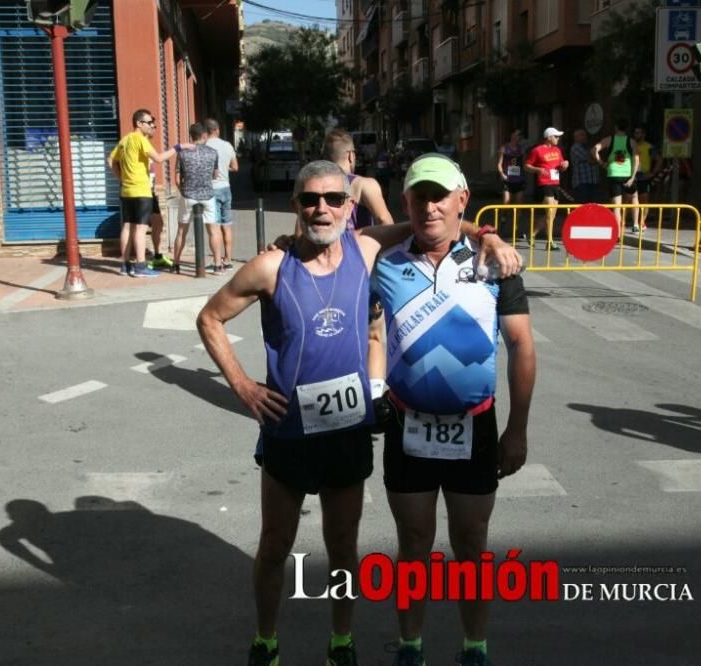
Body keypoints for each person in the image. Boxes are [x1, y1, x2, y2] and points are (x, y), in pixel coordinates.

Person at [199, 160, 520, 666]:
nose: (320, 208)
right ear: (296, 207)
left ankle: (341, 642)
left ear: (350, 207)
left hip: (347, 430)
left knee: (343, 545)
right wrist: (242, 387)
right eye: (309, 200)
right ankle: (265, 640)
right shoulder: (270, 266)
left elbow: (436, 220)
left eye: (332, 199)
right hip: (287, 430)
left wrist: (489, 235)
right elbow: (210, 317)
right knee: (275, 543)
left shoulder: (366, 248)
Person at [371, 154, 536, 666]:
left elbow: (522, 348)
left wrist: (517, 430)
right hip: (407, 424)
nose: (430, 206)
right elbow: (339, 252)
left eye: (441, 195)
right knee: (414, 542)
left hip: (475, 425)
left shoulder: (494, 263)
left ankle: (474, 648)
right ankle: (411, 646)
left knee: (471, 543)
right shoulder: (385, 262)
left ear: (462, 199)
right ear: (406, 202)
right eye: (420, 196)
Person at [108, 108, 181, 277]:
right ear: (139, 123)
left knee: (127, 226)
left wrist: (121, 179)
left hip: (127, 190)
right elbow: (159, 158)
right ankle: (140, 266)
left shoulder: (124, 141)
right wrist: (178, 147)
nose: (151, 125)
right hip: (141, 190)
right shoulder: (140, 139)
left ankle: (125, 265)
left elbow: (111, 160)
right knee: (140, 229)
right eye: (149, 123)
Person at [172, 122, 220, 273]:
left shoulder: (183, 153)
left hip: (188, 194)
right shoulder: (213, 152)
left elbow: (177, 178)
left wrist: (184, 190)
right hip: (208, 195)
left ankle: (176, 264)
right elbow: (215, 174)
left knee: (181, 231)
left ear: (191, 136)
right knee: (213, 230)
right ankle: (218, 264)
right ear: (204, 135)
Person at [324, 128, 393, 228]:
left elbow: (300, 231)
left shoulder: (315, 185)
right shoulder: (363, 184)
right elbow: (385, 221)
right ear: (351, 156)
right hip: (358, 243)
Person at [524, 127, 569, 250]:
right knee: (549, 213)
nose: (558, 139)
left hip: (555, 183)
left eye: (558, 136)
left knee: (551, 215)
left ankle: (531, 234)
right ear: (549, 137)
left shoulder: (557, 150)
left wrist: (565, 165)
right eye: (556, 136)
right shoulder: (537, 150)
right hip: (544, 183)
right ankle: (550, 242)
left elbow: (560, 166)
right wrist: (537, 169)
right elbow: (527, 165)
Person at [593, 119, 640, 233]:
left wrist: (602, 163)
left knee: (616, 206)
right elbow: (636, 160)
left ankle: (618, 232)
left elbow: (594, 149)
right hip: (627, 175)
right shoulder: (632, 142)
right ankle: (635, 225)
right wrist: (633, 177)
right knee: (634, 197)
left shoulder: (609, 140)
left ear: (616, 127)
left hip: (613, 174)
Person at [205, 118, 240, 269]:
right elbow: (235, 167)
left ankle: (217, 261)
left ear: (205, 132)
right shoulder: (227, 145)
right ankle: (229, 259)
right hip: (226, 187)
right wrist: (225, 169)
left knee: (214, 227)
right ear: (217, 130)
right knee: (227, 226)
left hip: (211, 189)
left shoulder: (204, 146)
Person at [496, 130, 526, 239]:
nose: (519, 138)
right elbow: (499, 164)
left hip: (519, 180)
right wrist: (502, 174)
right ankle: (503, 217)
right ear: (513, 136)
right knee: (506, 202)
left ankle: (516, 227)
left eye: (520, 137)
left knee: (518, 205)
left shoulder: (521, 149)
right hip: (508, 180)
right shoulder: (504, 148)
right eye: (518, 136)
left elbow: (524, 164)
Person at [632, 125, 661, 230]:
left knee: (644, 200)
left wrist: (653, 173)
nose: (636, 135)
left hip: (643, 177)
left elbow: (658, 159)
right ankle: (632, 222)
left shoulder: (649, 147)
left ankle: (642, 222)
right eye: (635, 133)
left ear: (643, 134)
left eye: (639, 133)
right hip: (631, 176)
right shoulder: (631, 145)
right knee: (630, 200)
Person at [146, 167, 173, 270]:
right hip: (141, 193)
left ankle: (157, 256)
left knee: (158, 224)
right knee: (139, 227)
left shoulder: (148, 154)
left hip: (150, 193)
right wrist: (177, 149)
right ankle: (134, 264)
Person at [570, 129, 600, 204]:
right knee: (583, 206)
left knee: (593, 206)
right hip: (582, 183)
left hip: (593, 181)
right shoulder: (575, 147)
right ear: (576, 137)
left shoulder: (588, 147)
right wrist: (597, 159)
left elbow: (595, 158)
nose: (585, 137)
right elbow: (591, 158)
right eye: (582, 135)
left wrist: (596, 158)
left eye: (584, 135)